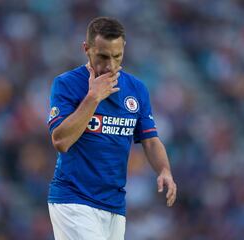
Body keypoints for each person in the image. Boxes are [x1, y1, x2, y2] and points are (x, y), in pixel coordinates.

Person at [47, 16, 177, 240]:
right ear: (86, 49)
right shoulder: (67, 84)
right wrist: (93, 98)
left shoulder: (136, 89)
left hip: (114, 206)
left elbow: (151, 140)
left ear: (124, 49)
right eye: (102, 56)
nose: (110, 65)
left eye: (117, 56)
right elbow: (61, 141)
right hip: (74, 200)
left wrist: (164, 170)